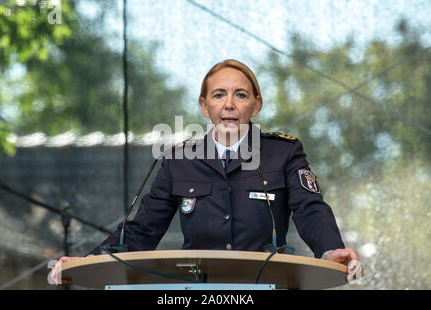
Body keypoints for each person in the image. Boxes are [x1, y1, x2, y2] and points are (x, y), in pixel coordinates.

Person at [51, 59, 363, 285]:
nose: (229, 104)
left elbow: (311, 208)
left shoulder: (284, 152)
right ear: (204, 105)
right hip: (197, 289)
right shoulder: (179, 159)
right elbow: (141, 230)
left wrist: (330, 249)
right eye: (218, 95)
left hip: (266, 282)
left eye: (240, 94)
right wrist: (91, 261)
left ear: (256, 105)